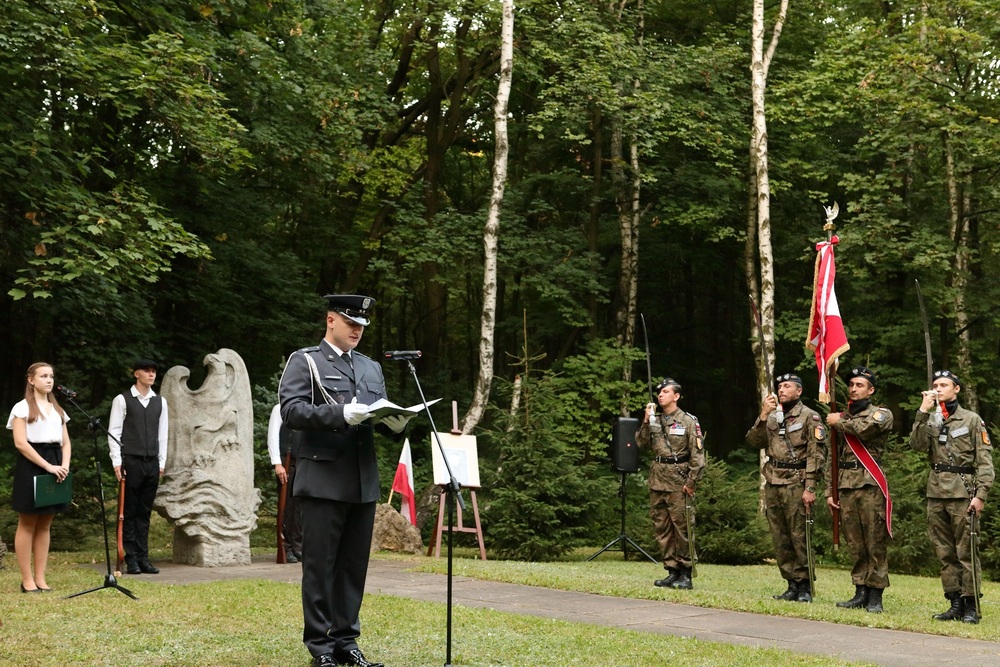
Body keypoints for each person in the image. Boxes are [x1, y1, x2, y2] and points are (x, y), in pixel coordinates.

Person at [279, 294, 411, 667]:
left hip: (361, 479)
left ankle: (346, 641)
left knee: (353, 567)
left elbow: (379, 416)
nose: (357, 330)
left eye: (363, 325)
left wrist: (396, 423)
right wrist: (339, 413)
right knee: (320, 566)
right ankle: (321, 648)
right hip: (322, 477)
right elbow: (291, 411)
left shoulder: (370, 368)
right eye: (351, 323)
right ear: (331, 320)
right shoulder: (306, 361)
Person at [909, 370, 994, 624]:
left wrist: (981, 496)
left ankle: (970, 605)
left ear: (956, 389)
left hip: (962, 493)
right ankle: (954, 602)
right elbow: (916, 445)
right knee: (944, 552)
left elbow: (985, 462)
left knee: (966, 551)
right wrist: (922, 412)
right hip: (936, 493)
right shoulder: (931, 418)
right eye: (935, 385)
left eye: (943, 385)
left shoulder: (970, 420)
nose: (938, 389)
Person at [746, 373, 826, 603]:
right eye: (779, 386)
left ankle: (805, 586)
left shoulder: (810, 416)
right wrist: (762, 415)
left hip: (796, 481)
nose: (781, 389)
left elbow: (816, 454)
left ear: (798, 391)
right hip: (773, 481)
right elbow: (753, 442)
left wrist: (810, 487)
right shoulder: (771, 418)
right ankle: (791, 583)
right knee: (780, 537)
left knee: (799, 536)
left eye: (787, 386)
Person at [824, 366, 893, 613]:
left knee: (874, 541)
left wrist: (839, 421)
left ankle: (876, 595)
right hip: (845, 483)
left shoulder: (881, 414)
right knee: (854, 542)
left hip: (869, 482)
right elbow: (832, 456)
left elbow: (864, 431)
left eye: (860, 385)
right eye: (851, 384)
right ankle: (860, 590)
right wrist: (829, 490)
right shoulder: (841, 417)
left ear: (871, 389)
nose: (854, 389)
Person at [7, 362, 72, 593]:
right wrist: (48, 466)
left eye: (51, 376)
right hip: (32, 464)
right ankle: (27, 580)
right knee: (27, 522)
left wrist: (63, 465)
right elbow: (20, 443)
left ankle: (41, 577)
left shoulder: (58, 410)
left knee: (45, 522)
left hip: (56, 464)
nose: (49, 380)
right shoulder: (21, 408)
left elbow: (65, 442)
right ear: (31, 380)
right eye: (43, 376)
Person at [635, 377, 705, 590]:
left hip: (679, 481)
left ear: (676, 396)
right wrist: (646, 421)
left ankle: (686, 572)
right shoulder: (655, 420)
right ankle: (672, 570)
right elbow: (641, 443)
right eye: (659, 392)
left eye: (665, 392)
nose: (661, 395)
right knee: (662, 528)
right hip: (658, 481)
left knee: (682, 529)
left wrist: (692, 482)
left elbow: (698, 456)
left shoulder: (688, 421)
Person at [107, 358, 168, 576]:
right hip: (130, 460)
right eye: (147, 371)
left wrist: (161, 462)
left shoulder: (160, 401)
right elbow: (114, 432)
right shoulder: (122, 400)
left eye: (154, 371)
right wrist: (117, 461)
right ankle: (129, 557)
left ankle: (143, 557)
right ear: (136, 374)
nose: (151, 375)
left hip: (151, 462)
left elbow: (163, 434)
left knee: (144, 512)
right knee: (128, 511)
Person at [267, 403, 302, 563]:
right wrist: (277, 463)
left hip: (301, 462)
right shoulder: (280, 408)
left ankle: (297, 546)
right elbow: (273, 435)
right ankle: (285, 547)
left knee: (298, 507)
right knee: (286, 506)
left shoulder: (305, 408)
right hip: (284, 463)